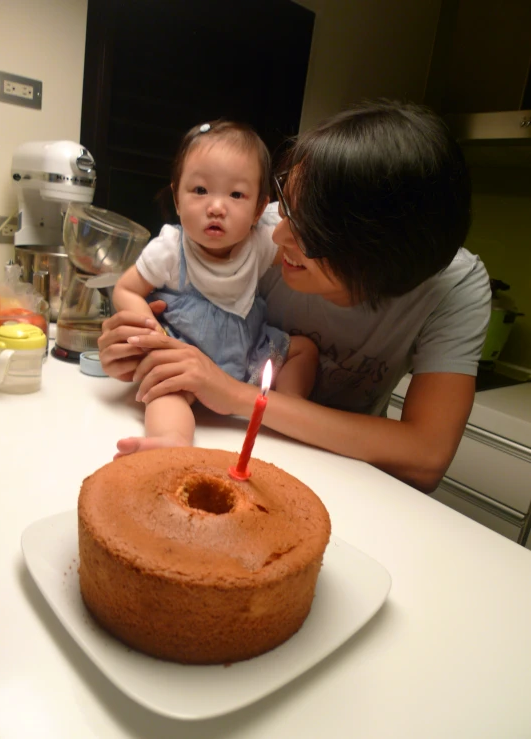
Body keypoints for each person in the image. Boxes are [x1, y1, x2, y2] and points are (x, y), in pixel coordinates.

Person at [99, 100, 491, 493]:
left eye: (307, 230)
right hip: (230, 443)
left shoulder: (452, 287)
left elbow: (425, 457)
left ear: (373, 253)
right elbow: (160, 313)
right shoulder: (250, 232)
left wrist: (239, 395)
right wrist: (136, 347)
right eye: (286, 204)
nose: (277, 234)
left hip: (346, 477)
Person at [111, 119, 318, 455]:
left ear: (257, 209)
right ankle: (173, 440)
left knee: (303, 348)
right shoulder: (169, 250)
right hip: (184, 358)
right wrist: (152, 335)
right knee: (167, 392)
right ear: (177, 199)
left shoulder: (263, 243)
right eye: (200, 190)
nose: (217, 207)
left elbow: (305, 244)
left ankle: (285, 410)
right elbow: (126, 289)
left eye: (236, 194)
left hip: (248, 358)